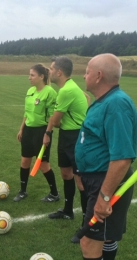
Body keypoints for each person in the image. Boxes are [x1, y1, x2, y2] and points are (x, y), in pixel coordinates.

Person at [75, 53, 137, 260]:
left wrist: (105, 196)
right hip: (97, 179)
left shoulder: (116, 105)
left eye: (87, 72)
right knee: (105, 238)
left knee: (90, 243)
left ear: (99, 76)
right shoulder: (105, 101)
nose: (84, 76)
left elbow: (122, 158)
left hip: (107, 181)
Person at [47, 56, 90, 243]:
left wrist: (49, 127)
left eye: (50, 69)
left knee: (81, 182)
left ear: (59, 72)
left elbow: (55, 121)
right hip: (66, 136)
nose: (48, 72)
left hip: (75, 137)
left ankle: (86, 225)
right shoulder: (69, 87)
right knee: (66, 174)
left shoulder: (66, 91)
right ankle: (67, 211)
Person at [13, 63, 59, 203]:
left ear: (41, 76)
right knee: (25, 161)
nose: (29, 78)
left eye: (32, 75)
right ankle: (22, 191)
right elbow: (26, 113)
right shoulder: (30, 91)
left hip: (41, 131)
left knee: (43, 165)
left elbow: (52, 116)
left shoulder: (50, 92)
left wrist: (48, 133)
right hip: (28, 130)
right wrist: (22, 129)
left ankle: (54, 194)